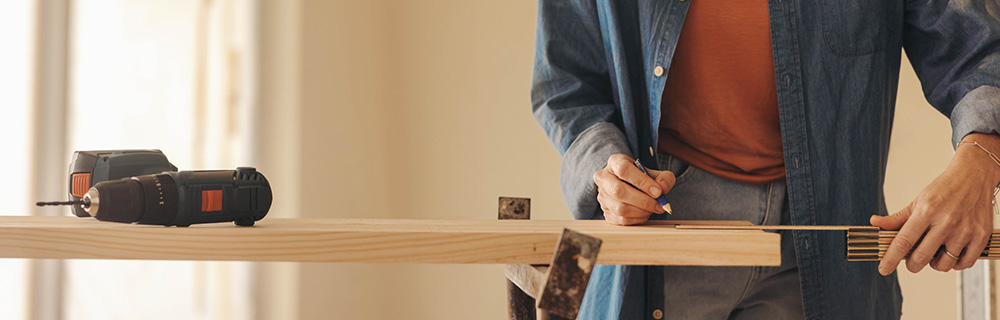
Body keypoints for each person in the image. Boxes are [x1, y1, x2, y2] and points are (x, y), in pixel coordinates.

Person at [531, 0, 1000, 319]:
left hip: (828, 245)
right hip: (656, 221)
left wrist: (980, 161)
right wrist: (604, 170)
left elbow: (979, 52)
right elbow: (564, 85)